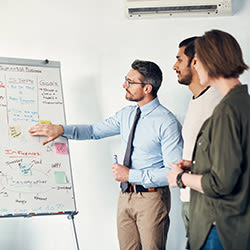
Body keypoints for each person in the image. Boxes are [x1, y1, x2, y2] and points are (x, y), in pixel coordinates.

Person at [29, 59, 183, 250]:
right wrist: (60, 129)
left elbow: (173, 174)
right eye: (125, 79)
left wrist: (130, 175)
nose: (124, 85)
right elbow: (93, 130)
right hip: (125, 196)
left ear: (147, 89)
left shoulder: (166, 122)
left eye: (131, 82)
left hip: (152, 199)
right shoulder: (126, 114)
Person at [167, 29, 250, 250]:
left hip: (218, 226)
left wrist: (181, 177)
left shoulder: (226, 111)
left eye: (197, 61)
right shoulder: (242, 103)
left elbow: (221, 183)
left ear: (210, 61)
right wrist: (195, 165)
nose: (195, 66)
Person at [173, 36, 222, 244]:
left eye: (179, 59)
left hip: (210, 209)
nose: (174, 66)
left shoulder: (217, 102)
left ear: (195, 62)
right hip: (189, 200)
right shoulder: (195, 101)